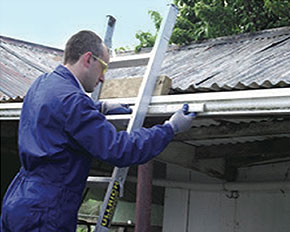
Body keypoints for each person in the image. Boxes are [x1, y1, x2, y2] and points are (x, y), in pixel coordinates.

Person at [0, 30, 195, 231]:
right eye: (103, 68)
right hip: (47, 211)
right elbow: (120, 149)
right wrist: (169, 128)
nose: (103, 78)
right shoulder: (74, 102)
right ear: (87, 59)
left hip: (19, 199)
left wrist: (98, 107)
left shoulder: (42, 83)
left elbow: (59, 115)